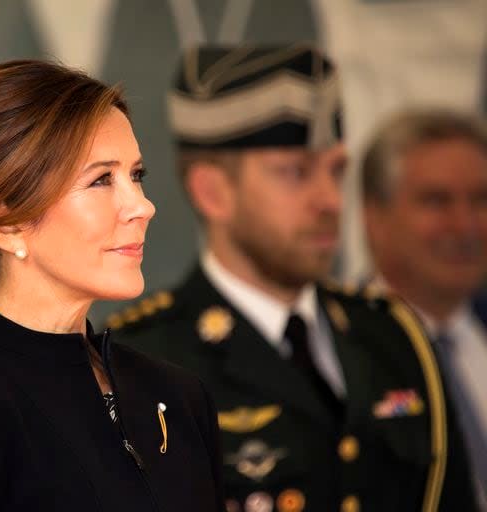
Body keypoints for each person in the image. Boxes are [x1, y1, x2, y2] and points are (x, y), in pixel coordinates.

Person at [109, 45, 478, 511]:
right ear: (213, 192)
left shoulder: (392, 334)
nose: (329, 200)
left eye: (336, 170)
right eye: (295, 172)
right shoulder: (140, 365)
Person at [0, 59, 225, 512]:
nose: (142, 206)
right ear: (5, 222)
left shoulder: (179, 396)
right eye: (101, 180)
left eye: (136, 175)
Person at [362, 108, 487, 508]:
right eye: (437, 201)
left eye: (481, 199)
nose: (465, 224)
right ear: (374, 217)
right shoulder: (339, 346)